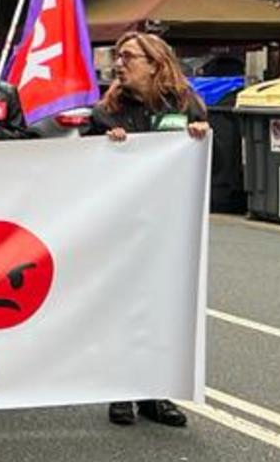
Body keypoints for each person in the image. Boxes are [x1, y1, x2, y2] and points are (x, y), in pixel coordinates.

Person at [86, 30, 211, 430]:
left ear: (155, 64)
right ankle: (120, 389)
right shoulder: (105, 112)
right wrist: (104, 147)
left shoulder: (187, 105)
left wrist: (202, 138)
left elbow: (214, 164)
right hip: (123, 227)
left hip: (169, 228)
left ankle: (154, 393)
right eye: (117, 57)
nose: (118, 64)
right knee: (123, 307)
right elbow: (83, 171)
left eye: (128, 58)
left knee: (162, 308)